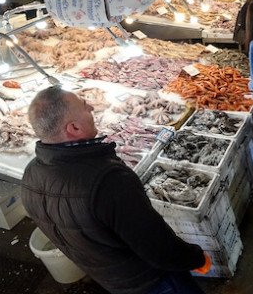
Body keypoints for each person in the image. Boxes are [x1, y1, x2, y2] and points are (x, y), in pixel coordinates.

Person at [22, 87, 209, 294]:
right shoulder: (108, 181)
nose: (92, 107)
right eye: (85, 107)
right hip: (153, 281)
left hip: (113, 282)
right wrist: (195, 257)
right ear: (74, 128)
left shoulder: (30, 175)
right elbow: (158, 248)